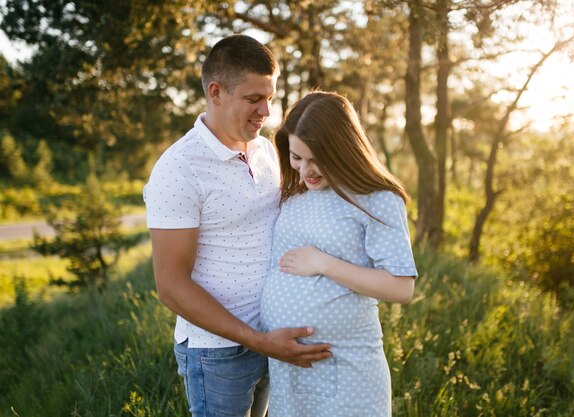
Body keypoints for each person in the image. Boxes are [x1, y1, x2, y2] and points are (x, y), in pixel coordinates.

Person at [143, 35, 331, 417]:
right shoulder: (179, 169)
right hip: (218, 355)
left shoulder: (266, 150)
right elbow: (171, 287)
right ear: (215, 92)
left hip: (274, 337)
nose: (265, 111)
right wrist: (259, 341)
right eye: (253, 99)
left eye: (270, 98)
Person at [260, 91, 417, 417]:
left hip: (345, 368)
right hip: (287, 367)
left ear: (343, 150)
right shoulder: (295, 195)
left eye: (317, 158)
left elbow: (401, 287)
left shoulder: (377, 198)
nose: (306, 170)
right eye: (297, 157)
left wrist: (323, 263)